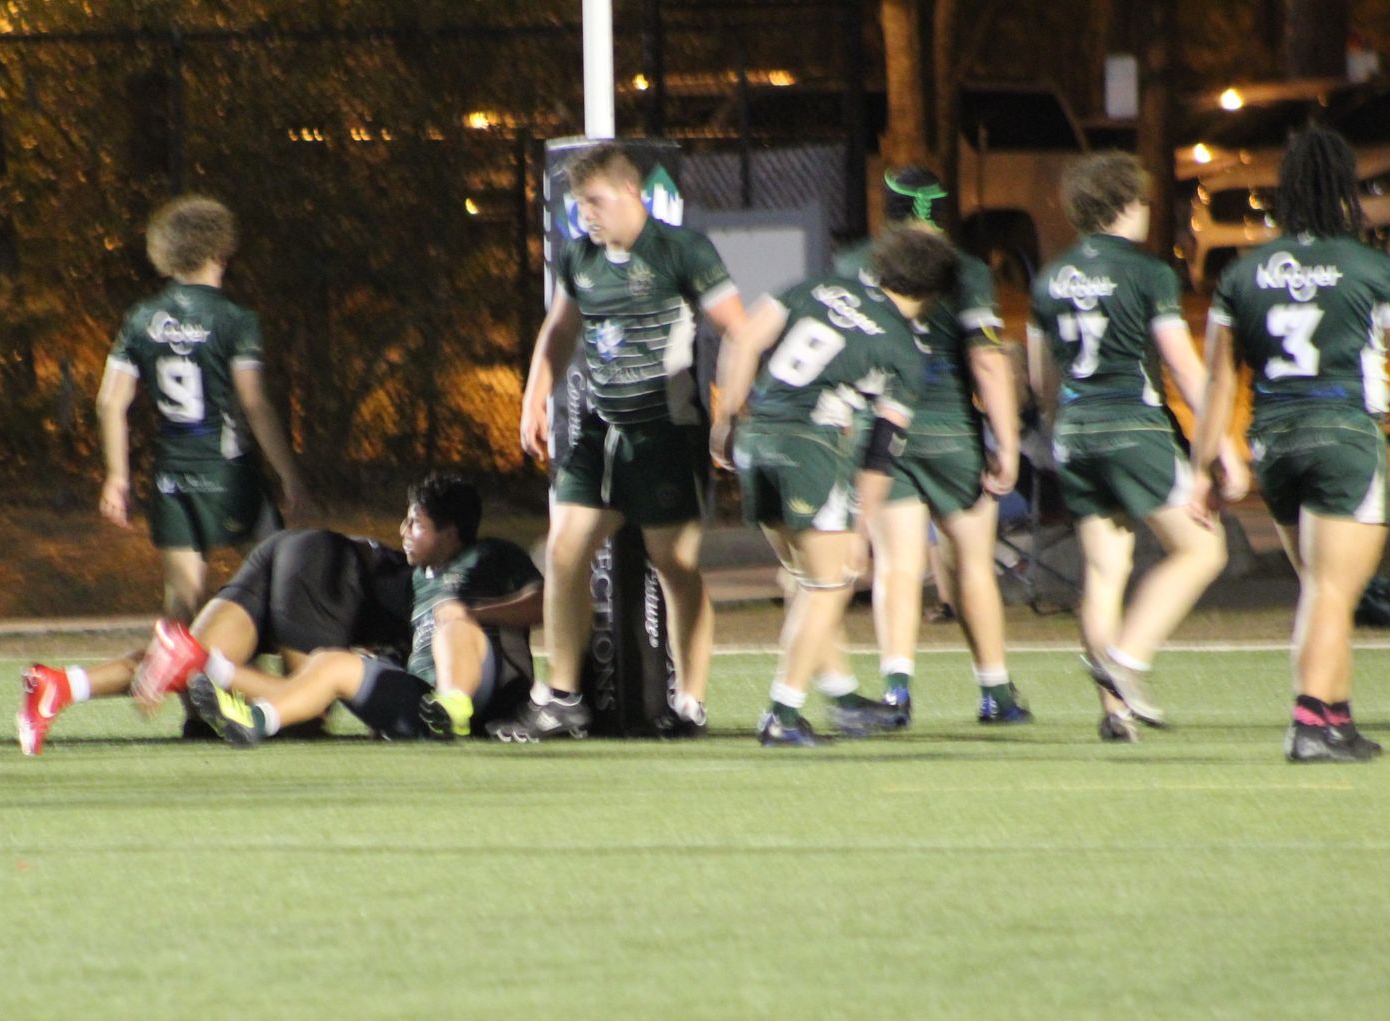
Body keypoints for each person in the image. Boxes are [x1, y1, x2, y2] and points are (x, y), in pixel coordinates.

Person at [16, 195, 308, 746]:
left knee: (184, 609)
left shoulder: (143, 317)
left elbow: (110, 402)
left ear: (166, 252)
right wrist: (290, 474)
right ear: (223, 248)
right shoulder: (233, 319)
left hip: (173, 477)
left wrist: (117, 475)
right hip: (231, 475)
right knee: (280, 584)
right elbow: (254, 401)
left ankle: (198, 713)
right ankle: (297, 702)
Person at [1197, 127, 1390, 762]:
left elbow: (1220, 376)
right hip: (1341, 435)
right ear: (1342, 189)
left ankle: (1336, 717)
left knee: (1322, 588)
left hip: (1273, 440)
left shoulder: (1242, 272)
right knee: (1333, 589)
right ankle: (1309, 724)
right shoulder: (1370, 266)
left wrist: (1204, 464)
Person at [493, 142, 744, 742]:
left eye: (596, 202)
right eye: (580, 205)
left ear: (631, 192)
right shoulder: (580, 257)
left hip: (666, 436)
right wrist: (535, 397)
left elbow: (737, 330)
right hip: (600, 432)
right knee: (562, 552)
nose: (587, 216)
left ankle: (690, 703)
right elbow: (558, 330)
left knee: (674, 566)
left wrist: (729, 411)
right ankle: (561, 700)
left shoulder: (682, 250)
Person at [1027, 153, 1242, 742]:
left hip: (1074, 431)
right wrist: (1221, 444)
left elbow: (1042, 380)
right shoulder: (1149, 274)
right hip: (1133, 425)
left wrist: (1061, 426)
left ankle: (1114, 713)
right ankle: (1127, 662)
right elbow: (1185, 369)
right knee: (1201, 550)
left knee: (1104, 571)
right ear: (1127, 202)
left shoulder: (1048, 278)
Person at [715, 227, 954, 746]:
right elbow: (880, 450)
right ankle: (783, 713)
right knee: (832, 582)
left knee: (805, 579)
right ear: (933, 295)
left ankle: (843, 696)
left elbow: (743, 338)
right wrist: (861, 528)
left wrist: (725, 420)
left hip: (756, 438)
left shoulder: (819, 287)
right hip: (810, 446)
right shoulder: (906, 352)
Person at [838, 168, 1029, 726]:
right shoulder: (966, 270)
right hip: (949, 430)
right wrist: (1009, 444)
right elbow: (988, 361)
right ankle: (995, 693)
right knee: (971, 564)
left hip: (880, 431)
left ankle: (896, 692)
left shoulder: (854, 265)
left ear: (887, 208)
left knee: (897, 564)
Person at [185, 475, 542, 743]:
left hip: (485, 694)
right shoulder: (415, 579)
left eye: (415, 523)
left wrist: (473, 613)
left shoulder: (492, 554)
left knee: (452, 623)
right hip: (421, 701)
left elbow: (542, 605)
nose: (403, 530)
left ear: (450, 533)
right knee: (330, 661)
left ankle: (453, 706)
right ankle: (252, 717)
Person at [19, 527, 412, 754]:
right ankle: (206, 665)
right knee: (304, 711)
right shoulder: (438, 604)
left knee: (182, 663)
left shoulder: (431, 587)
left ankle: (61, 684)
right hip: (326, 566)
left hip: (292, 548)